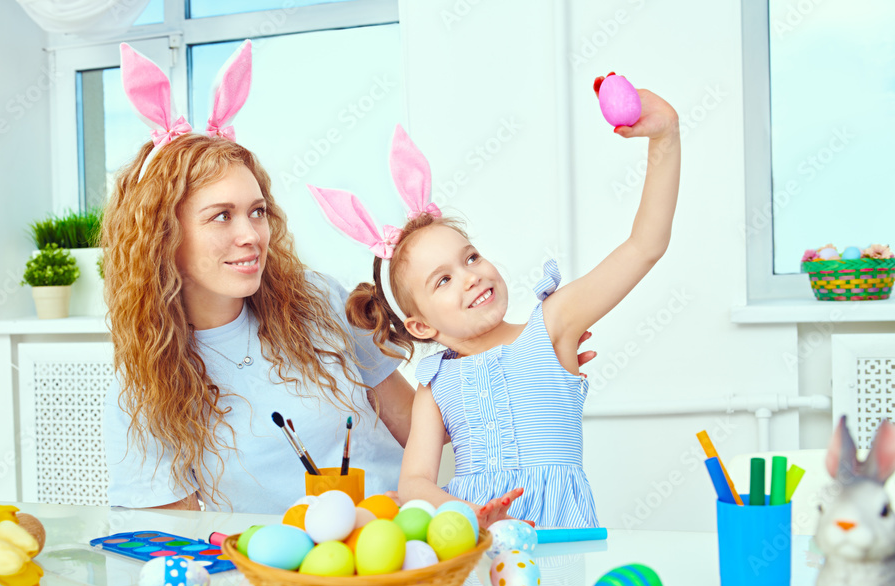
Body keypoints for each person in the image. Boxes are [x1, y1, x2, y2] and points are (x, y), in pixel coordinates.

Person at [309, 84, 679, 527]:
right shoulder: (435, 387)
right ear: (421, 326)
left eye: (471, 257)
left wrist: (666, 136)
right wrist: (470, 514)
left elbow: (644, 246)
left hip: (560, 535)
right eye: (443, 280)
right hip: (475, 545)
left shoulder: (555, 325)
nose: (471, 275)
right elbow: (415, 483)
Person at [101, 42, 416, 513]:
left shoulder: (318, 298)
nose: (251, 235)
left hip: (403, 536)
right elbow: (177, 543)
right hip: (283, 578)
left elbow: (411, 423)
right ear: (163, 236)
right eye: (221, 216)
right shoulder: (144, 388)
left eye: (257, 211)